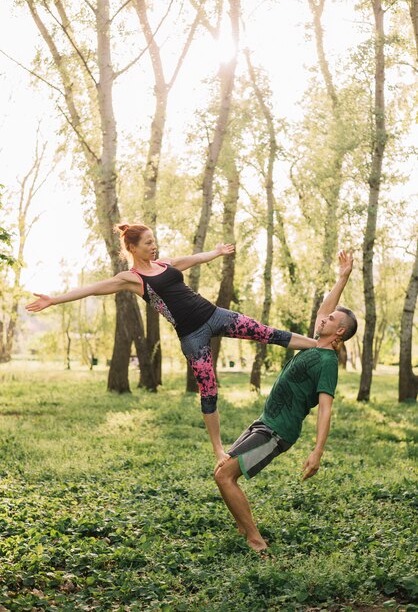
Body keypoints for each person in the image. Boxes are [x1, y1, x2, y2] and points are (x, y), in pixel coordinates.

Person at [25, 223, 318, 463]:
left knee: (265, 332)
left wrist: (215, 253)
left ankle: (318, 346)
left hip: (214, 315)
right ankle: (218, 449)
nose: (154, 246)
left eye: (155, 241)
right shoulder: (132, 278)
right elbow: (91, 289)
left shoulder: (165, 264)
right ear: (134, 248)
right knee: (209, 390)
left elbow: (194, 259)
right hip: (192, 336)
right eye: (148, 243)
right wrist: (54, 299)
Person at [214, 250, 356, 552]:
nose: (324, 317)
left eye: (331, 319)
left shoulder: (328, 362)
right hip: (264, 422)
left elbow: (325, 410)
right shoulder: (314, 345)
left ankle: (256, 540)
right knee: (222, 470)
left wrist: (317, 451)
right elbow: (324, 308)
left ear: (339, 331)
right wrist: (342, 277)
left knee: (225, 476)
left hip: (278, 432)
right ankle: (243, 525)